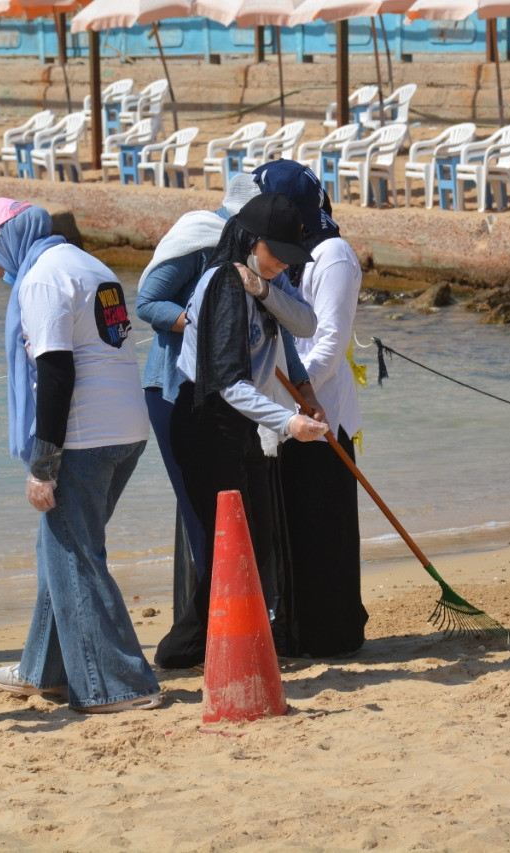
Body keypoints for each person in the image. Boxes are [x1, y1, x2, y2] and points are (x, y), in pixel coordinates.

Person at [0, 198, 161, 712]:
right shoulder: (87, 264)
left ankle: (119, 685)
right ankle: (44, 669)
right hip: (126, 429)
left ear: (4, 240)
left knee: (75, 558)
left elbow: (56, 374)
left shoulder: (43, 279)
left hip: (86, 436)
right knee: (57, 548)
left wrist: (43, 466)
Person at [153, 192, 329, 671]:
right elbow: (226, 381)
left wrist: (267, 290)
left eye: (291, 260)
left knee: (255, 538)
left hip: (242, 425)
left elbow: (306, 322)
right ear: (252, 240)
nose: (282, 267)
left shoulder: (260, 281)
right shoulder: (222, 286)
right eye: (277, 256)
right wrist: (289, 421)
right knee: (226, 542)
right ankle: (189, 647)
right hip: (205, 420)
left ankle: (212, 641)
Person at [254, 161, 369, 658]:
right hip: (288, 411)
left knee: (325, 526)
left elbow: (328, 340)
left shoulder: (332, 256)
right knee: (293, 527)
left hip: (323, 413)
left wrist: (301, 392)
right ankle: (297, 630)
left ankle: (334, 632)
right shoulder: (288, 255)